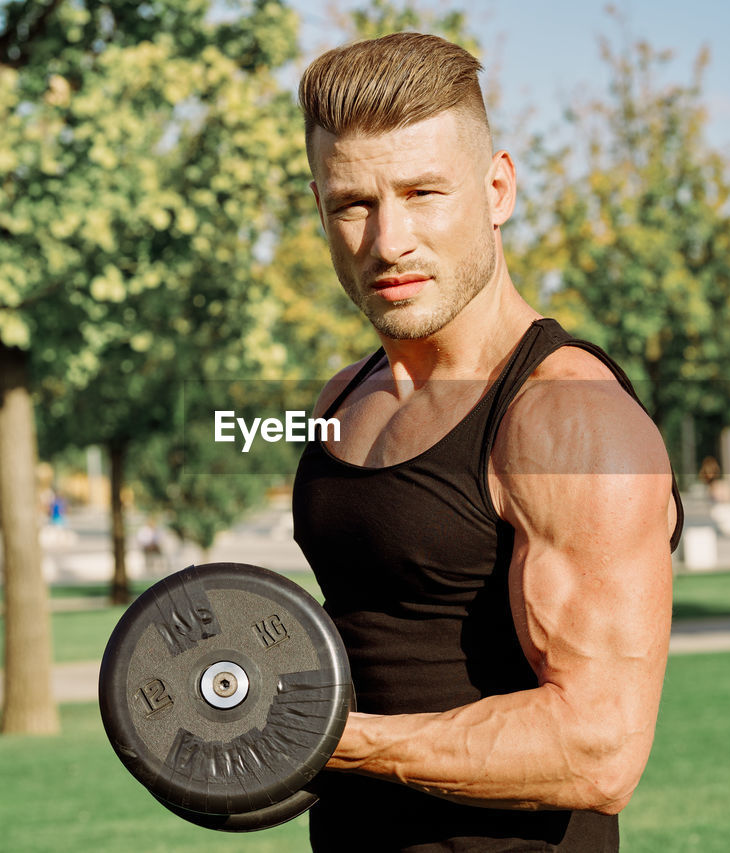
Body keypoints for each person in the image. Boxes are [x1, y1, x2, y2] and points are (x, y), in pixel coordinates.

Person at [291, 33, 682, 852]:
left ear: (497, 188)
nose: (387, 240)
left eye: (423, 192)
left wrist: (329, 738)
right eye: (351, 204)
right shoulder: (342, 398)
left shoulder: (572, 421)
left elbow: (600, 745)